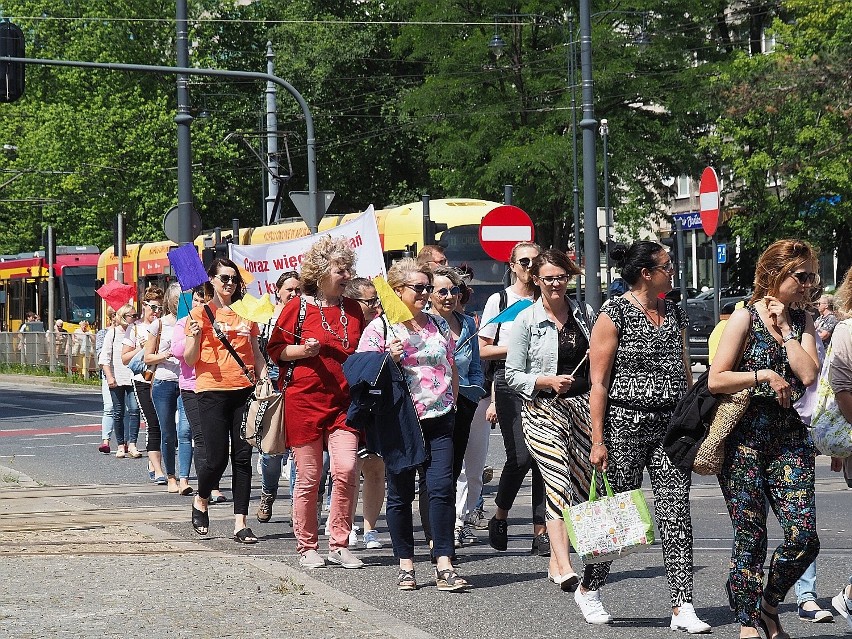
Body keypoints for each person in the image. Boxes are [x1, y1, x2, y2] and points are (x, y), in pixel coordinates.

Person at [585, 240, 710, 632]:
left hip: (671, 427)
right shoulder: (615, 312)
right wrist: (597, 439)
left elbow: (686, 373)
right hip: (626, 424)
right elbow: (599, 382)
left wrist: (695, 420)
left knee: (677, 511)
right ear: (646, 273)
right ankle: (590, 588)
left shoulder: (674, 312)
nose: (672, 271)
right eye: (667, 266)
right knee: (618, 513)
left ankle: (682, 604)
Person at [708, 239, 821, 639]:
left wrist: (788, 331)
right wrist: (762, 375)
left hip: (790, 441)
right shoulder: (743, 318)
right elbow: (716, 379)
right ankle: (749, 620)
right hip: (744, 442)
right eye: (801, 276)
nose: (809, 285)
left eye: (812, 276)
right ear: (775, 275)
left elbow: (808, 375)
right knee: (750, 534)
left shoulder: (802, 320)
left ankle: (769, 603)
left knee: (804, 537)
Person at [356, 258, 468, 591]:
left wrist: (455, 400)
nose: (425, 293)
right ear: (397, 290)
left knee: (440, 490)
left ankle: (444, 562)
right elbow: (361, 372)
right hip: (400, 421)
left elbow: (450, 364)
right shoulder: (381, 327)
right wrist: (384, 357)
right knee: (401, 495)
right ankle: (406, 564)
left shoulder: (439, 325)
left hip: (440, 418)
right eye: (418, 288)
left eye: (427, 288)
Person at [266, 237, 365, 569]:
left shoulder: (354, 309)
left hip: (344, 402)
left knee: (347, 469)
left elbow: (363, 350)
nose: (348, 275)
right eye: (341, 269)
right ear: (322, 271)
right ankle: (307, 546)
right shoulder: (297, 307)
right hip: (304, 401)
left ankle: (339, 543)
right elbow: (277, 350)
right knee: (309, 476)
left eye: (349, 268)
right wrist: (303, 351)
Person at [505, 250, 593, 590]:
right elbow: (512, 375)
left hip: (583, 408)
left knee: (583, 483)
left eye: (561, 277)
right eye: (548, 278)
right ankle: (565, 563)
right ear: (536, 280)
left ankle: (557, 562)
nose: (556, 283)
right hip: (542, 411)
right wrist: (545, 381)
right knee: (557, 483)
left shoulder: (584, 313)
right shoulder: (526, 320)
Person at [184, 258, 267, 543]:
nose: (229, 283)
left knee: (243, 457)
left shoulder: (247, 312)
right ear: (212, 280)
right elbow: (190, 359)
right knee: (216, 458)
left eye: (233, 279)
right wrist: (194, 338)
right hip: (211, 391)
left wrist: (263, 378)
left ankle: (240, 523)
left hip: (244, 389)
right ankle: (202, 498)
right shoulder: (199, 313)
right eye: (224, 278)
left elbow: (255, 351)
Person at [478, 241, 548, 554]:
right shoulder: (501, 300)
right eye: (524, 261)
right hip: (509, 382)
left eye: (536, 261)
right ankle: (501, 515)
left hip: (544, 382)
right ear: (512, 265)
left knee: (544, 459)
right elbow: (483, 348)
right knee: (520, 456)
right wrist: (519, 346)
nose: (530, 267)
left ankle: (541, 532)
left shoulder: (549, 296)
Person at [426, 266, 486, 548]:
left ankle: (446, 535)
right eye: (442, 291)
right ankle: (435, 537)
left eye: (454, 291)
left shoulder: (469, 324)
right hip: (432, 406)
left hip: (464, 404)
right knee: (437, 474)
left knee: (452, 471)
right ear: (430, 295)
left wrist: (472, 395)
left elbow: (475, 367)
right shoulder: (423, 324)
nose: (449, 296)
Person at [256, 270, 301, 524]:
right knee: (271, 450)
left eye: (298, 290)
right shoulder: (267, 317)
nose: (294, 294)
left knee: (298, 449)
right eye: (290, 290)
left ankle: (297, 506)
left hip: (297, 383)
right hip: (273, 384)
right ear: (278, 292)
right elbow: (259, 351)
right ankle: (268, 493)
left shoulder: (306, 315)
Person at [345, 277, 386, 549]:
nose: (376, 306)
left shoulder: (383, 327)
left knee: (376, 467)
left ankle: (371, 529)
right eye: (369, 301)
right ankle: (345, 525)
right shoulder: (346, 328)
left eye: (376, 300)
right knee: (349, 469)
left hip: (379, 405)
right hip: (351, 406)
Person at [144, 282, 183, 494]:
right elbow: (147, 356)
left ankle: (185, 476)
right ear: (170, 301)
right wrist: (166, 355)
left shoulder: (190, 322)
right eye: (177, 300)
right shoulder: (159, 325)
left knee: (185, 432)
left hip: (186, 382)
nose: (180, 304)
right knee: (168, 433)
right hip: (164, 381)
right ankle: (171, 476)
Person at [121, 286, 163, 466]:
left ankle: (157, 463)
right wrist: (142, 348)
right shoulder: (135, 328)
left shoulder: (164, 324)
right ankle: (154, 466)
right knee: (152, 422)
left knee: (164, 424)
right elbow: (124, 358)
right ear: (145, 305)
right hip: (143, 380)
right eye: (153, 307)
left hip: (161, 379)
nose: (157, 312)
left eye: (160, 308)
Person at [98, 304, 141, 459]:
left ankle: (133, 444)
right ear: (124, 317)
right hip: (117, 378)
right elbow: (105, 358)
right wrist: (109, 377)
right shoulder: (113, 333)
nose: (136, 318)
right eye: (133, 316)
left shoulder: (136, 332)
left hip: (134, 378)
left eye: (136, 315)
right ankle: (121, 445)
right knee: (118, 412)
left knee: (135, 410)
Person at [96, 309, 117, 454]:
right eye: (115, 315)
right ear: (111, 317)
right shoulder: (103, 333)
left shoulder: (130, 332)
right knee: (109, 407)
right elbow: (100, 354)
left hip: (124, 374)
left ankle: (126, 442)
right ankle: (106, 441)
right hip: (108, 373)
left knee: (128, 410)